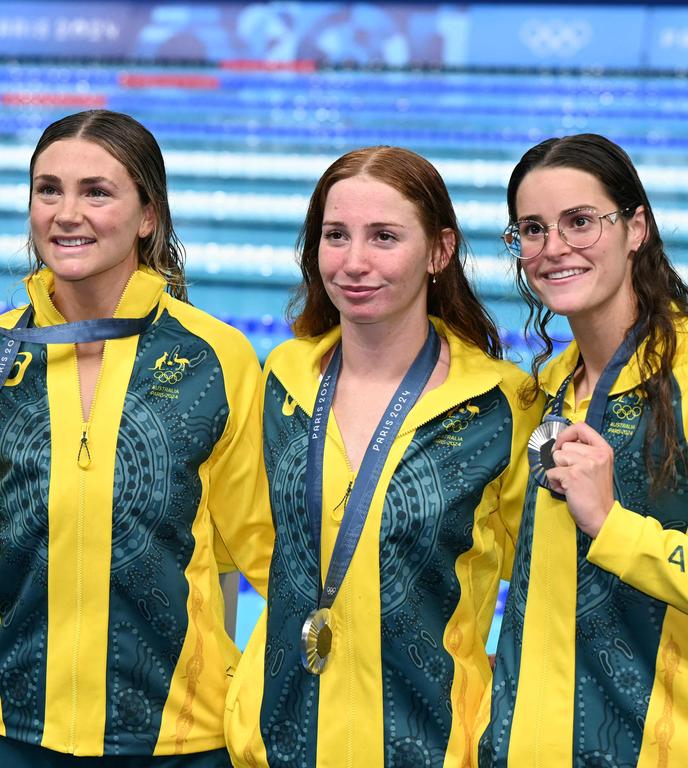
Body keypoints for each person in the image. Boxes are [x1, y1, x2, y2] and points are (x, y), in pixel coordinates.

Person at [0, 109, 273, 766]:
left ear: (148, 216)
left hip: (181, 737)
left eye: (97, 191)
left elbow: (258, 549)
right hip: (14, 729)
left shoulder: (216, 356)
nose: (66, 212)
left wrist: (250, 699)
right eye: (49, 189)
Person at [223, 146, 535, 768]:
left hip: (434, 747)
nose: (354, 262)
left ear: (439, 252)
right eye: (336, 235)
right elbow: (252, 539)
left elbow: (541, 580)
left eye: (384, 237)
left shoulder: (503, 404)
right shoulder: (284, 377)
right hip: (277, 740)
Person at [480, 134, 688, 766]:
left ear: (636, 228)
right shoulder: (541, 393)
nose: (555, 248)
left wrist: (612, 526)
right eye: (534, 229)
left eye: (580, 222)